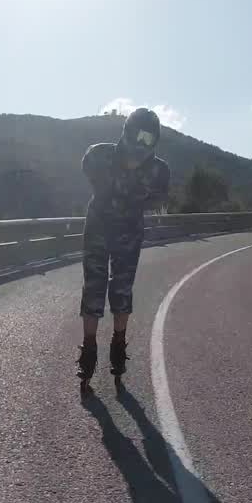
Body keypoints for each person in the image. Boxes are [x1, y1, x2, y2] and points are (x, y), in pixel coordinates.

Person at [77, 107, 170, 384]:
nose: (143, 143)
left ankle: (119, 344)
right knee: (93, 287)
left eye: (149, 138)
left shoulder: (158, 170)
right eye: (139, 135)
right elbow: (89, 174)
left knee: (122, 289)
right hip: (97, 229)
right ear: (127, 131)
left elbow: (158, 200)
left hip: (129, 233)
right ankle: (89, 350)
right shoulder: (98, 155)